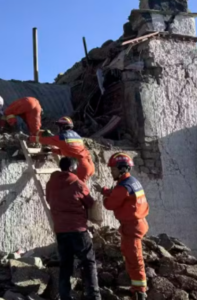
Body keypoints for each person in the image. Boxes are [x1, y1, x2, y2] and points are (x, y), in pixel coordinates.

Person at [94, 153, 150, 300]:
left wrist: (105, 197)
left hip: (132, 227)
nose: (111, 171)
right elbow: (120, 194)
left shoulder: (123, 187)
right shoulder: (131, 182)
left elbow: (111, 204)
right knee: (129, 254)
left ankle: (140, 291)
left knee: (134, 258)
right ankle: (136, 287)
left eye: (113, 169)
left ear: (122, 169)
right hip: (136, 223)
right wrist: (105, 191)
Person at [46, 157, 101, 300]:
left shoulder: (51, 183)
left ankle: (65, 296)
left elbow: (48, 199)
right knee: (88, 262)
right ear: (72, 168)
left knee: (65, 265)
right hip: (78, 230)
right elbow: (90, 203)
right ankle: (93, 296)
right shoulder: (78, 184)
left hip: (60, 230)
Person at [28, 116, 95, 182]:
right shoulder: (77, 136)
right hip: (90, 164)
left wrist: (30, 138)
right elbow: (71, 151)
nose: (58, 128)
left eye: (59, 126)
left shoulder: (62, 137)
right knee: (78, 190)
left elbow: (46, 140)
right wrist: (53, 150)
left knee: (76, 191)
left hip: (82, 167)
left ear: (63, 127)